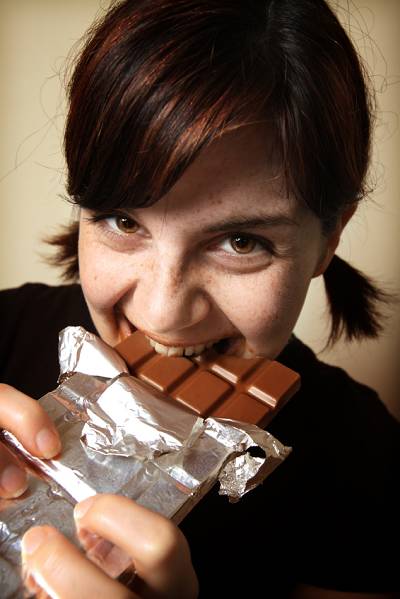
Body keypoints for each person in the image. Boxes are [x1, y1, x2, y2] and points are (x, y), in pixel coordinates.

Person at [0, 0, 399, 597]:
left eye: (242, 241)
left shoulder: (364, 457)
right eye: (123, 221)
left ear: (329, 240)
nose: (162, 314)